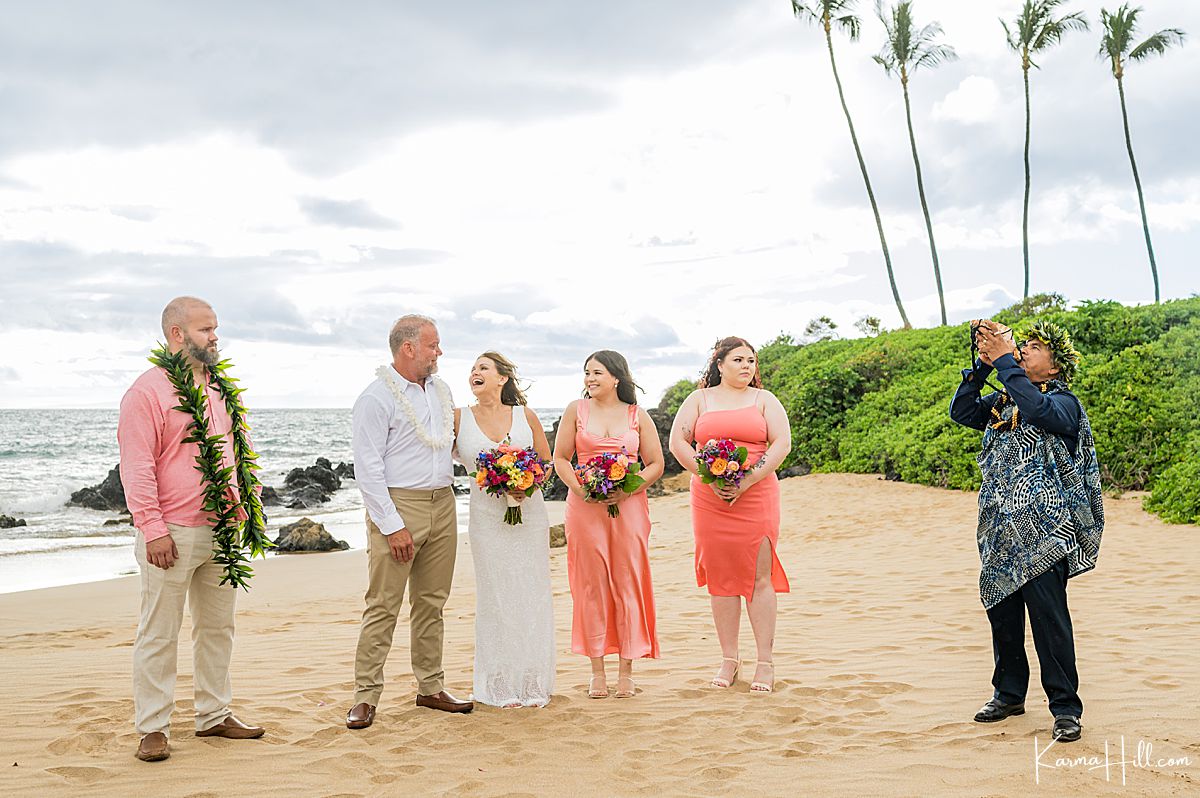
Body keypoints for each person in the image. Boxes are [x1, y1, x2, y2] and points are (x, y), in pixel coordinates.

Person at [118, 296, 265, 763]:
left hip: (222, 529)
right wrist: (153, 528)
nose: (215, 337)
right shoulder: (147, 392)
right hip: (172, 533)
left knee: (218, 628)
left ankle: (213, 715)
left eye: (216, 328)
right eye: (206, 329)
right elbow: (137, 466)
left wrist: (249, 503)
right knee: (160, 632)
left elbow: (236, 449)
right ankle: (153, 727)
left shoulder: (221, 388)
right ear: (178, 334)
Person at [950, 319, 1104, 744]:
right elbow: (962, 411)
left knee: (1049, 621)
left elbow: (1037, 409)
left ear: (1054, 368)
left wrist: (1003, 360)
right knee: (1002, 613)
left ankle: (1065, 708)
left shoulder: (1064, 403)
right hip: (1000, 529)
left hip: (1046, 532)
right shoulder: (1004, 401)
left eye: (1033, 347)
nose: (1023, 351)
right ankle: (1008, 694)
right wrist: (983, 367)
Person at [346, 315, 472, 729]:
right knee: (383, 604)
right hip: (400, 507)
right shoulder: (376, 398)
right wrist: (391, 524)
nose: (440, 352)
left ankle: (431, 687)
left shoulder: (441, 390)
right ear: (408, 348)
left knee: (431, 603)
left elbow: (449, 448)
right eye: (434, 345)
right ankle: (366, 696)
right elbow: (367, 468)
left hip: (444, 504)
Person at [669, 337, 791, 693]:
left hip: (757, 494)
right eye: (738, 360)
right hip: (709, 499)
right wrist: (707, 477)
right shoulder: (699, 400)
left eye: (751, 361)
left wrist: (748, 480)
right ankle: (729, 658)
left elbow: (782, 443)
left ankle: (765, 662)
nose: (746, 366)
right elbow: (679, 442)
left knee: (759, 576)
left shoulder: (765, 400)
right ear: (719, 364)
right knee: (721, 579)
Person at [552, 350, 663, 699]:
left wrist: (629, 489)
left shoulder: (637, 415)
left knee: (628, 581)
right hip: (584, 508)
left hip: (629, 507)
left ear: (616, 377)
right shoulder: (576, 410)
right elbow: (560, 458)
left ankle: (626, 671)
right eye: (586, 373)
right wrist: (581, 488)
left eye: (597, 372)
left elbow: (656, 463)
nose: (590, 379)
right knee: (591, 583)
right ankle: (597, 672)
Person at [453, 352, 556, 708]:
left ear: (502, 378)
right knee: (495, 596)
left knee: (531, 592)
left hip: (529, 517)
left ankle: (531, 682)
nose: (474, 373)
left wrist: (525, 484)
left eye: (483, 368)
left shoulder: (525, 416)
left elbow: (545, 463)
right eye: (472, 369)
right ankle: (497, 685)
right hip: (485, 520)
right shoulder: (458, 418)